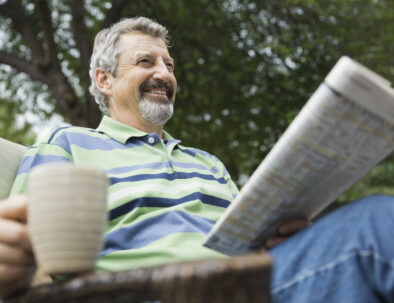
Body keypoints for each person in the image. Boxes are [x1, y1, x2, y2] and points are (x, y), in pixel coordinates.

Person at [0, 17, 393, 302]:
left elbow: (249, 245)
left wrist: (278, 239)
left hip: (254, 285)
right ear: (105, 80)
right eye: (146, 62)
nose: (164, 74)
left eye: (169, 66)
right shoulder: (68, 143)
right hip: (149, 292)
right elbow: (24, 250)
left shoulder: (209, 164)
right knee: (376, 224)